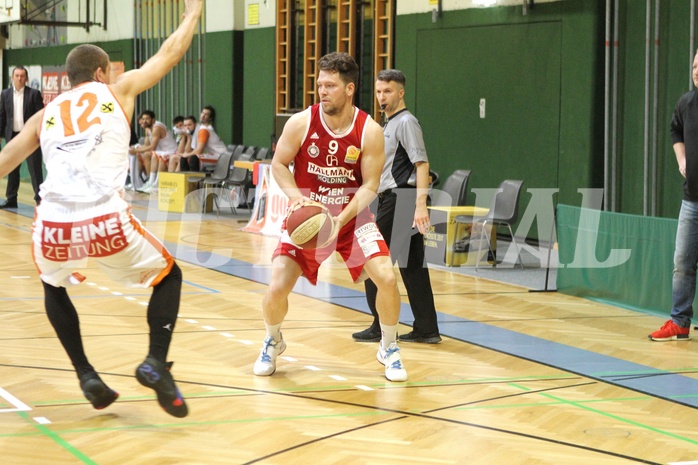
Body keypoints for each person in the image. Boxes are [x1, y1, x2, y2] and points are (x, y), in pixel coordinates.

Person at [0, 0, 204, 416]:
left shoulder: (43, 115)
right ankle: (154, 362)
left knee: (53, 284)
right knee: (169, 275)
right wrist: (193, 13)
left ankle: (85, 374)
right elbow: (171, 54)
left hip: (53, 222)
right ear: (100, 73)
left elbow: (4, 163)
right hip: (104, 216)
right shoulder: (117, 90)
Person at [252, 52, 407, 382]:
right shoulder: (300, 123)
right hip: (307, 218)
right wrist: (298, 200)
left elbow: (370, 185)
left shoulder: (370, 131)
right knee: (277, 287)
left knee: (388, 278)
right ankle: (272, 339)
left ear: (349, 89)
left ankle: (389, 347)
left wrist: (340, 218)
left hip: (351, 219)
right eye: (319, 84)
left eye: (330, 85)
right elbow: (278, 165)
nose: (322, 91)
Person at [353, 69, 441, 344]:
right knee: (412, 266)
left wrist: (420, 205)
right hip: (393, 199)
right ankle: (426, 329)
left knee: (372, 260)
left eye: (387, 91)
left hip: (402, 199)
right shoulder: (387, 124)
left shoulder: (406, 122)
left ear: (400, 93)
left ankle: (380, 325)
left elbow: (422, 164)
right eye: (379, 91)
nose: (382, 96)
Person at [650, 48, 698, 342]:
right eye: (694, 65)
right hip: (691, 201)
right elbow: (675, 130)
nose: (697, 71)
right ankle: (679, 322)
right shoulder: (686, 103)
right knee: (682, 261)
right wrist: (681, 159)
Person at [0, 66, 44, 207]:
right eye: (17, 76)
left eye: (22, 76)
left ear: (26, 78)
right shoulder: (5, 94)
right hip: (12, 135)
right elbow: (2, 115)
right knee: (12, 169)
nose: (19, 78)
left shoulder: (34, 94)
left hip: (30, 137)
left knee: (35, 169)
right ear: (12, 77)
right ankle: (11, 199)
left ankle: (40, 200)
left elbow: (41, 116)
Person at [129, 110, 178, 193]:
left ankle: (155, 183)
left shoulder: (157, 127)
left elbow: (152, 147)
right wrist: (135, 149)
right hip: (162, 151)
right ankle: (149, 181)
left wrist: (136, 150)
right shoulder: (148, 129)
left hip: (171, 151)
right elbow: (146, 145)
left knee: (150, 154)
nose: (144, 121)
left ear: (153, 120)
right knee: (146, 154)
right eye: (143, 119)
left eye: (147, 119)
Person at [179, 106, 227, 171]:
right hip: (213, 155)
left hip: (222, 157)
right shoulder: (200, 129)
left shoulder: (204, 130)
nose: (203, 116)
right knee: (185, 158)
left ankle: (194, 180)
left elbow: (199, 151)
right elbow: (190, 150)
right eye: (202, 113)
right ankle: (186, 179)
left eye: (206, 114)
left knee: (194, 157)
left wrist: (186, 155)